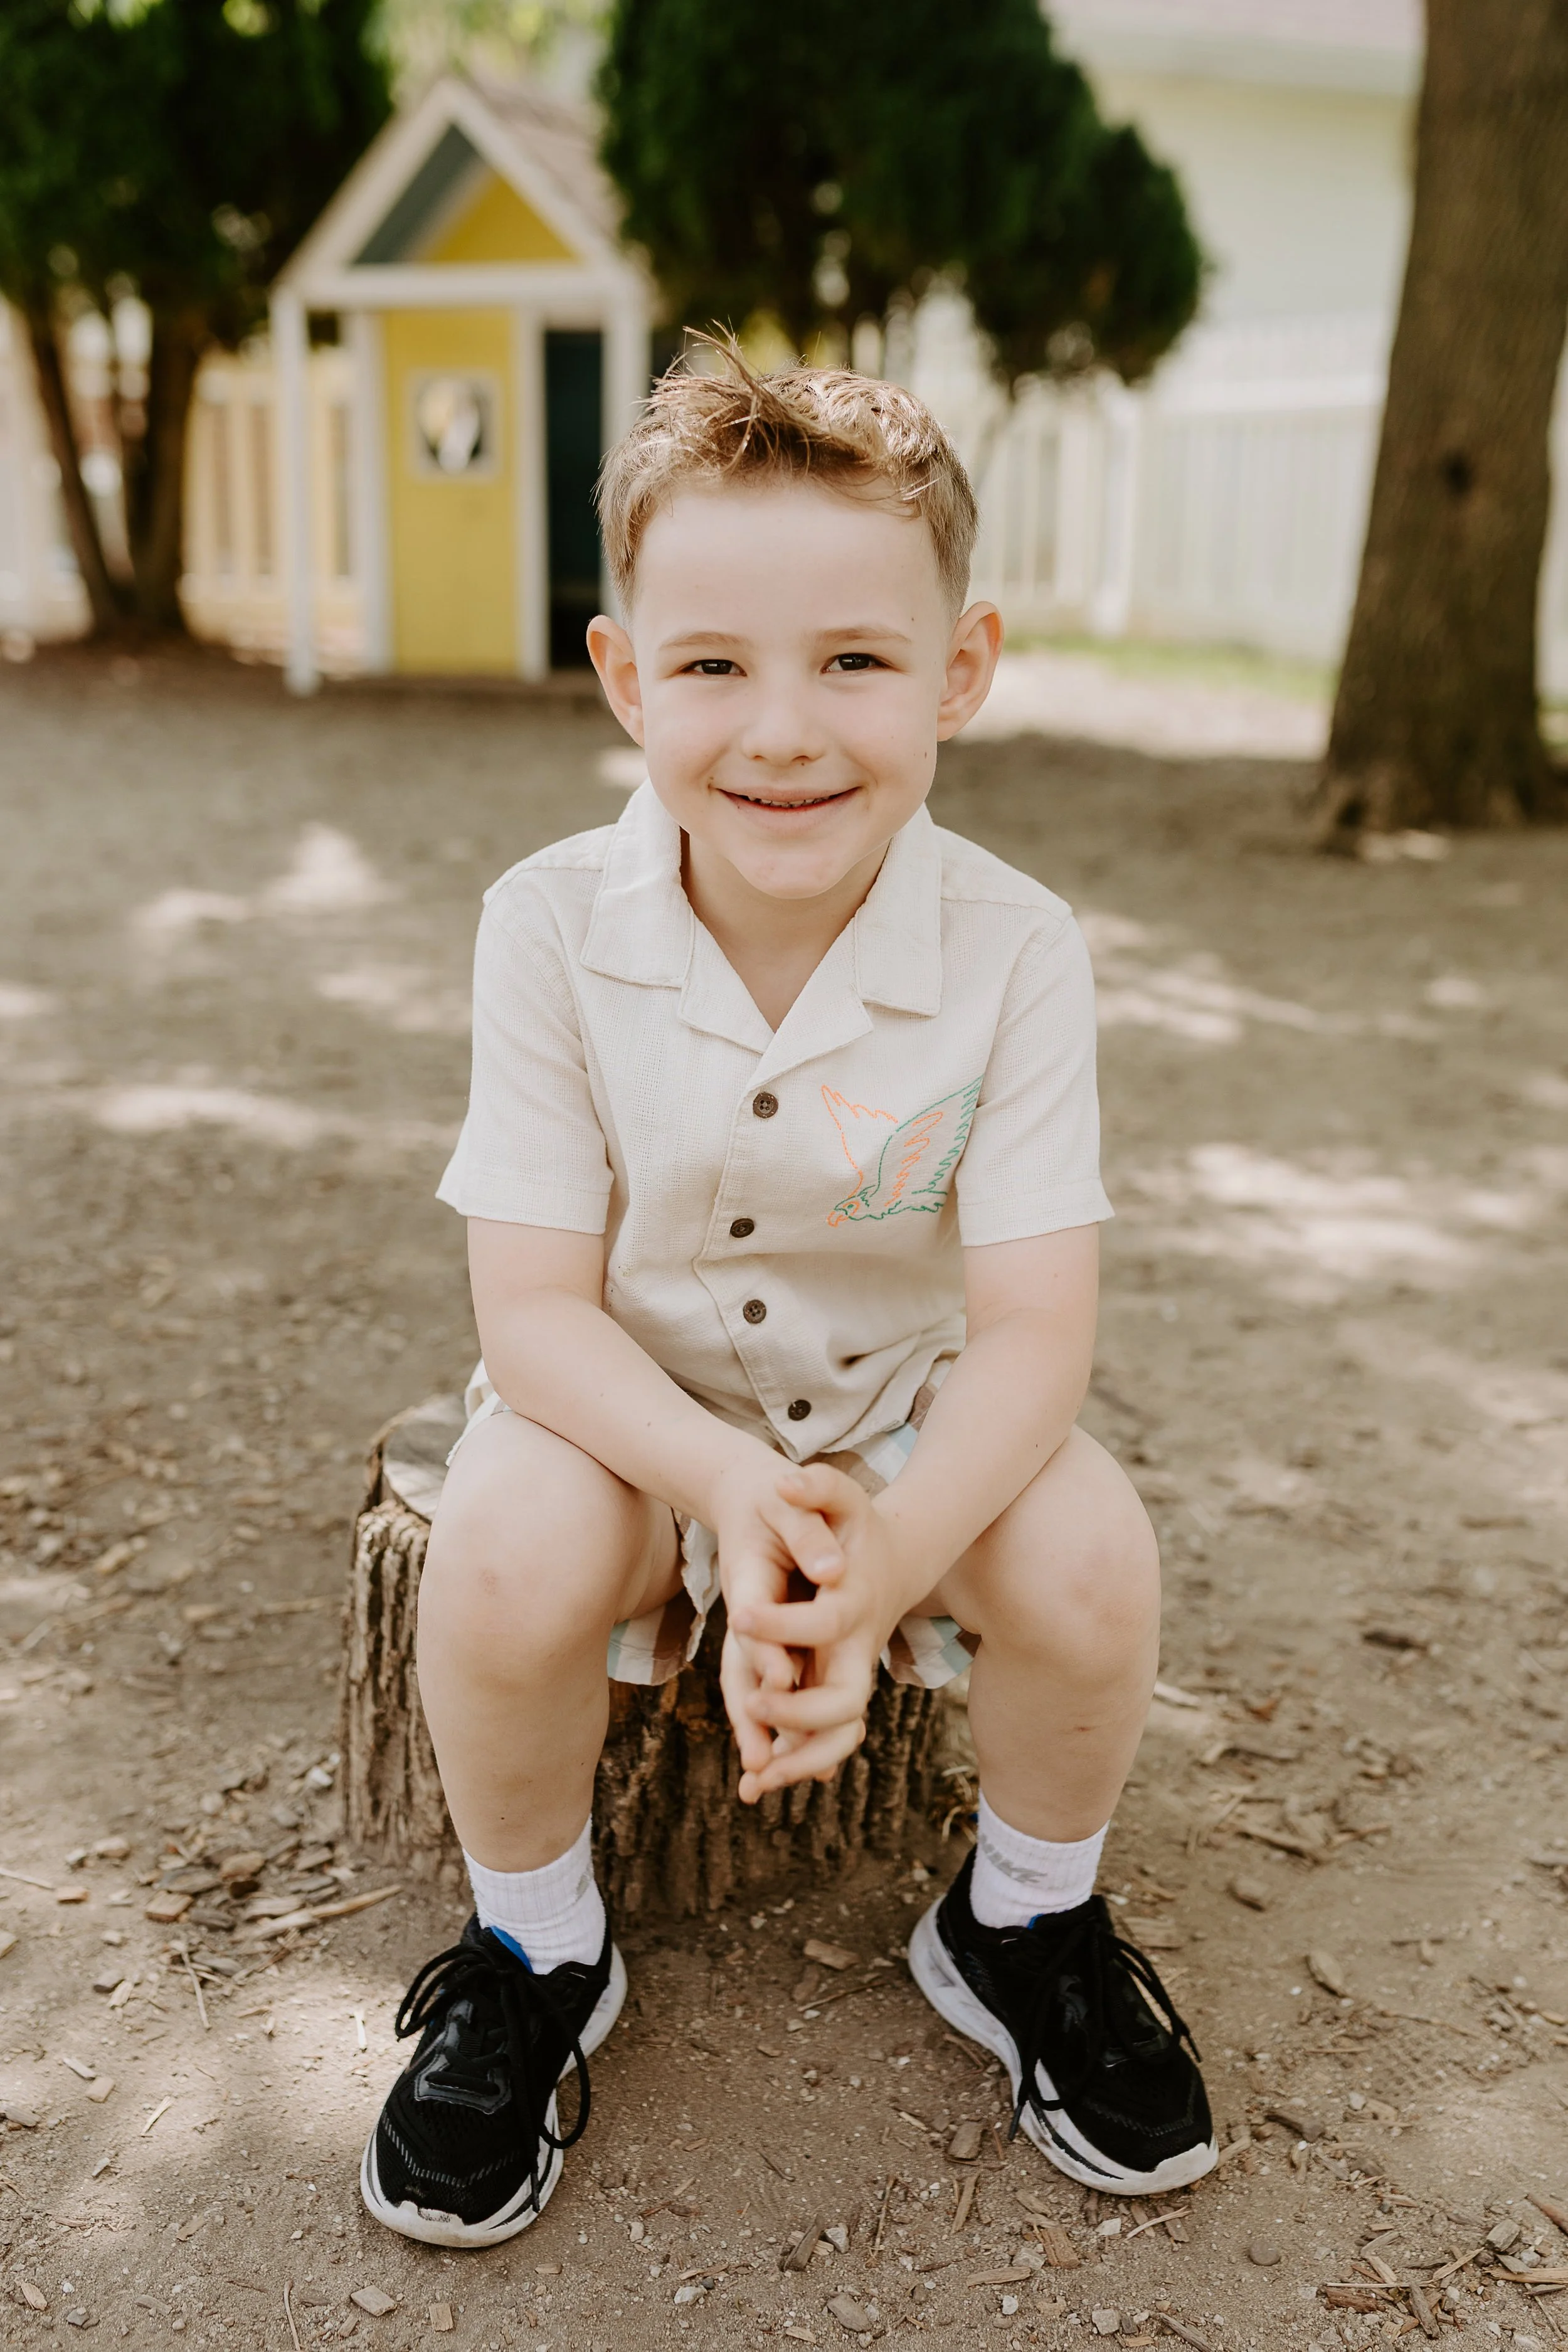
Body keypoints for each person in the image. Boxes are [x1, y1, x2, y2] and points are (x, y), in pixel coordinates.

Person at [359, 349, 1215, 2249]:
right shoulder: (546, 925)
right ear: (622, 676)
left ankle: (1021, 1916)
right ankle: (536, 1946)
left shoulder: (1015, 949)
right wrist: (726, 1498)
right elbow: (532, 1314)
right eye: (714, 665)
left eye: (853, 658)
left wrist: (885, 1552)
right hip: (626, 1405)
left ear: (961, 668)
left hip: (902, 1402)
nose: (782, 729)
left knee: (1087, 1560)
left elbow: (1034, 1333)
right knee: (495, 1553)